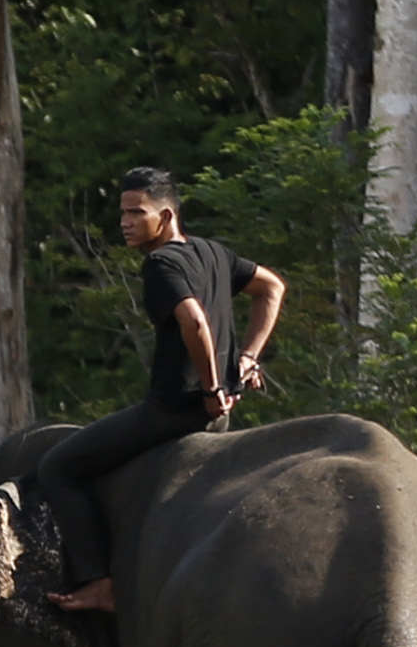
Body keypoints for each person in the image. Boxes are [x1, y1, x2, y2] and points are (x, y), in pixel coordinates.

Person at [40, 167, 287, 613]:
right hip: (221, 415)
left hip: (174, 411)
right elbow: (272, 288)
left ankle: (98, 582)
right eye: (123, 213)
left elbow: (193, 321)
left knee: (58, 467)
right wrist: (247, 359)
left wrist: (211, 386)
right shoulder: (213, 253)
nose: (125, 222)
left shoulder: (162, 264)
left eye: (137, 212)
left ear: (166, 215)